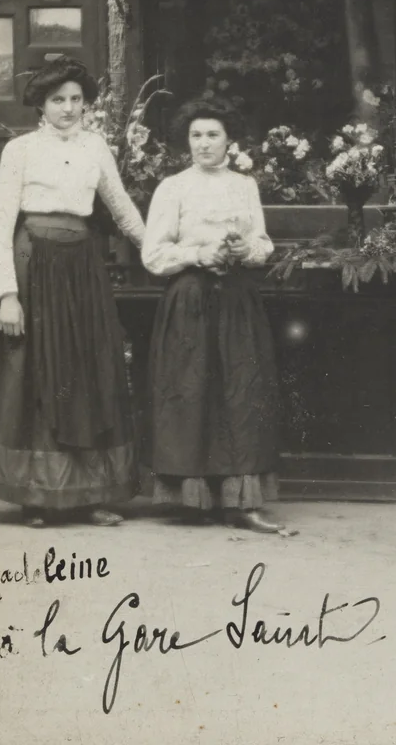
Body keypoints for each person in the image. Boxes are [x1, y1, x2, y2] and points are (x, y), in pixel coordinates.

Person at [0, 58, 145, 527]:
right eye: (58, 100)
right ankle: (36, 497)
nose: (68, 108)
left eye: (76, 99)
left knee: (87, 371)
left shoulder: (97, 147)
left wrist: (162, 251)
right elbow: (1, 228)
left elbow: (122, 210)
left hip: (82, 270)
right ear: (41, 105)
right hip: (32, 267)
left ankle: (90, 494)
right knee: (35, 374)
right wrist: (9, 296)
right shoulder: (19, 150)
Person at [142, 101, 283, 533]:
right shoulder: (173, 187)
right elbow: (153, 253)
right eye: (196, 136)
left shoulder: (244, 186)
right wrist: (197, 254)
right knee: (191, 392)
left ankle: (240, 502)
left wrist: (248, 250)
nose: (203, 144)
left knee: (239, 395)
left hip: (236, 301)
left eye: (213, 135)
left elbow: (262, 241)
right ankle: (193, 500)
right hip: (190, 301)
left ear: (228, 140)